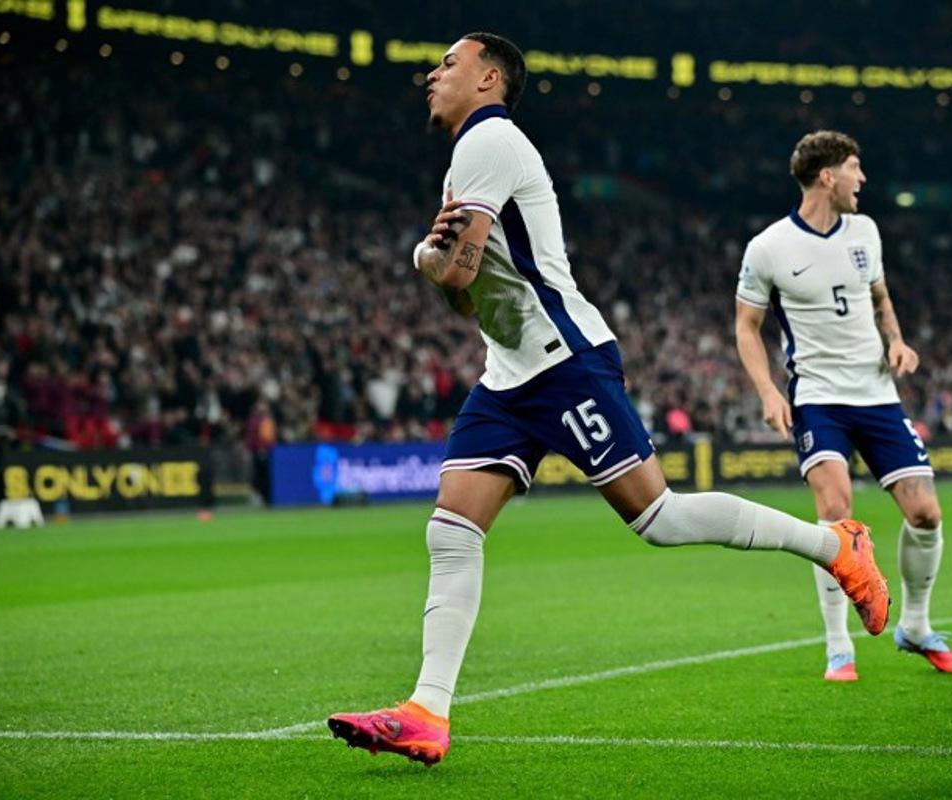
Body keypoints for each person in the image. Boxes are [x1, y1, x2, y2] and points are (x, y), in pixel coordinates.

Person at [327, 34, 891, 766]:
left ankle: (836, 545)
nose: (432, 75)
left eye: (449, 64)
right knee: (451, 531)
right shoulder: (466, 160)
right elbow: (467, 303)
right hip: (509, 374)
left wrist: (428, 260)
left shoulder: (489, 140)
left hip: (565, 363)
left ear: (489, 78)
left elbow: (457, 272)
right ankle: (428, 712)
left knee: (659, 517)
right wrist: (436, 264)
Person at [733, 130, 952, 683]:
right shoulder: (768, 247)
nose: (863, 180)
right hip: (817, 396)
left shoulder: (865, 231)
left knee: (926, 514)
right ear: (827, 176)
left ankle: (914, 625)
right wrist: (769, 391)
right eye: (855, 169)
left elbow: (880, 298)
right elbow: (746, 326)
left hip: (877, 394)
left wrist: (897, 340)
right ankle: (838, 645)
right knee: (836, 512)